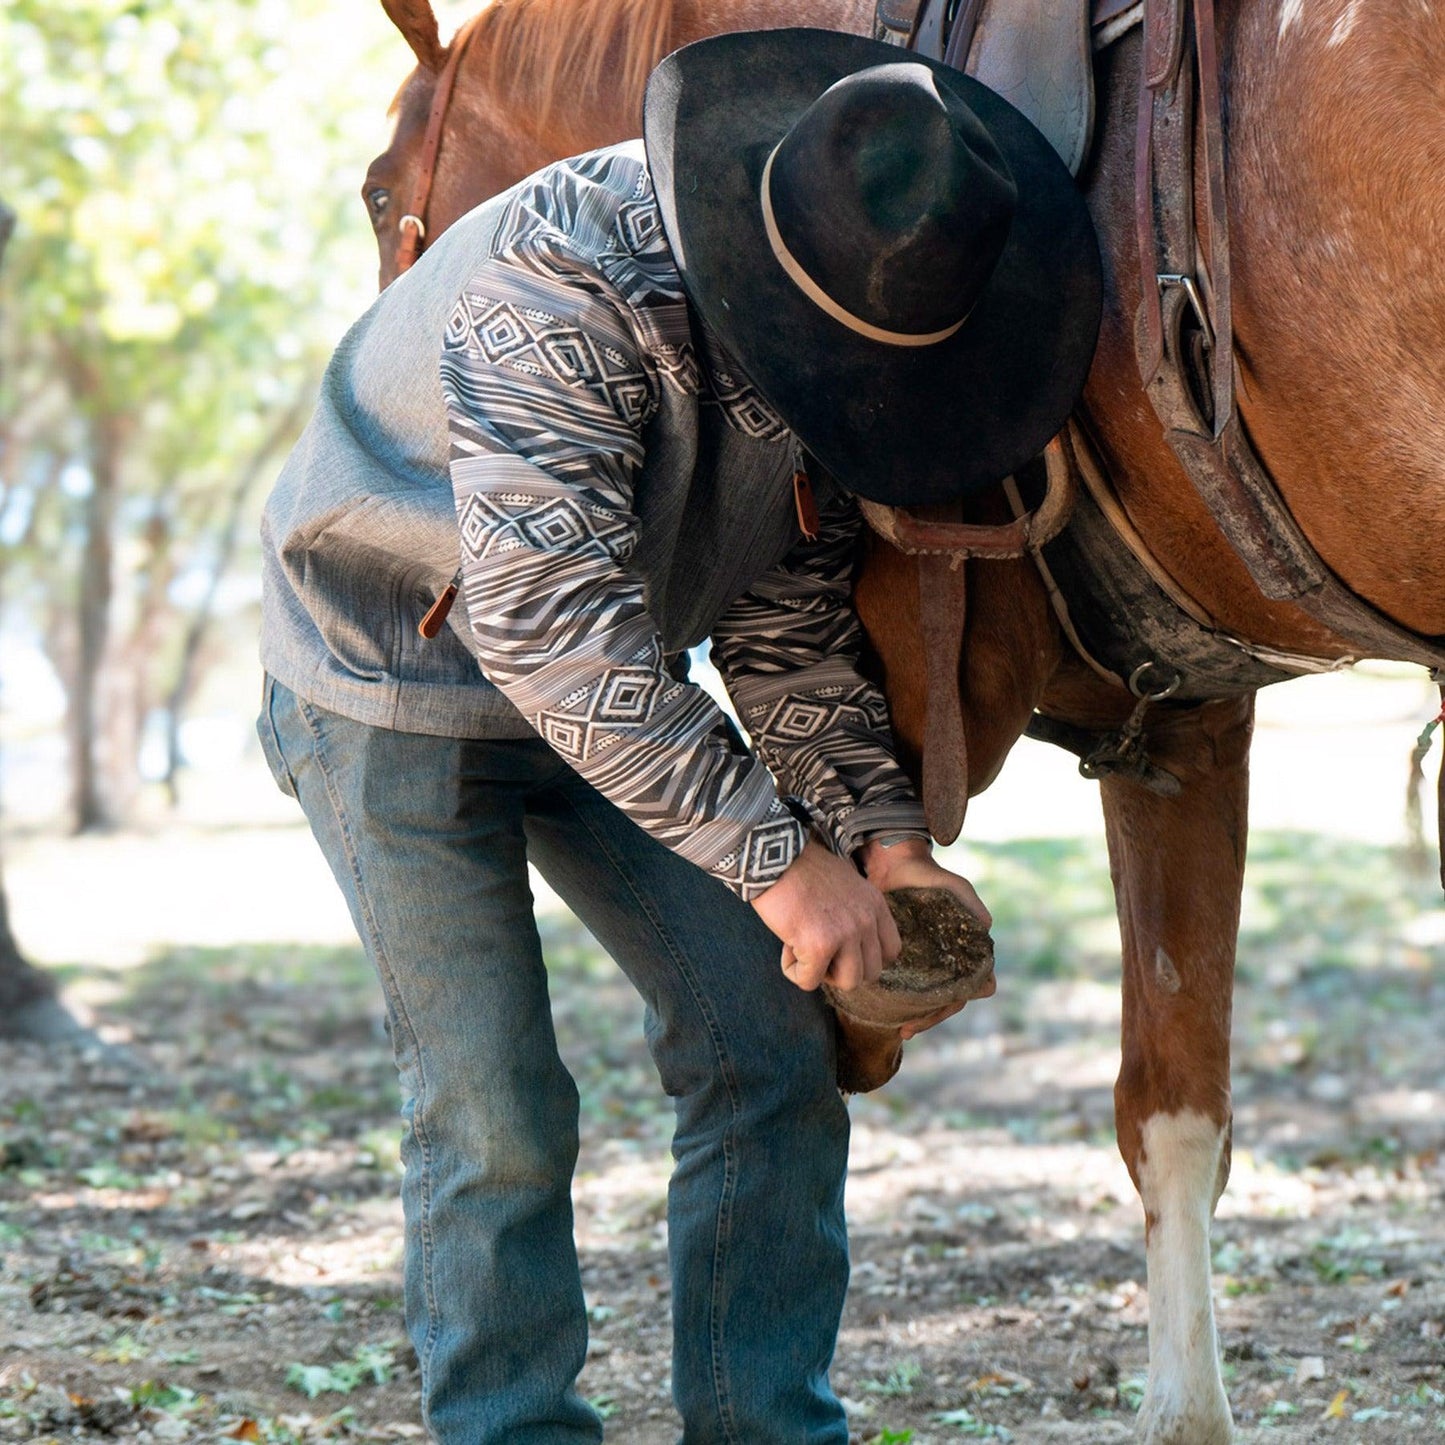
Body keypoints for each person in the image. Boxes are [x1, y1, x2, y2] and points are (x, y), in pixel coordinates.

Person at [256, 25, 1099, 1445]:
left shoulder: (840, 314)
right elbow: (543, 629)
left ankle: (763, 1426)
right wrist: (782, 865)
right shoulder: (560, 279)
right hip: (383, 669)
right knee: (494, 1105)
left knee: (769, 1041)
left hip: (610, 682)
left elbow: (779, 615)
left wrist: (885, 846)